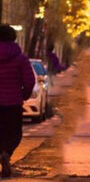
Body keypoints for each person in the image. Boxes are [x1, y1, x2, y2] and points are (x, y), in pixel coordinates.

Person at [0, 24, 35, 178]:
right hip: (13, 103)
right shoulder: (20, 58)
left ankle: (2, 152)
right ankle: (6, 153)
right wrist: (24, 95)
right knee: (14, 133)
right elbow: (29, 80)